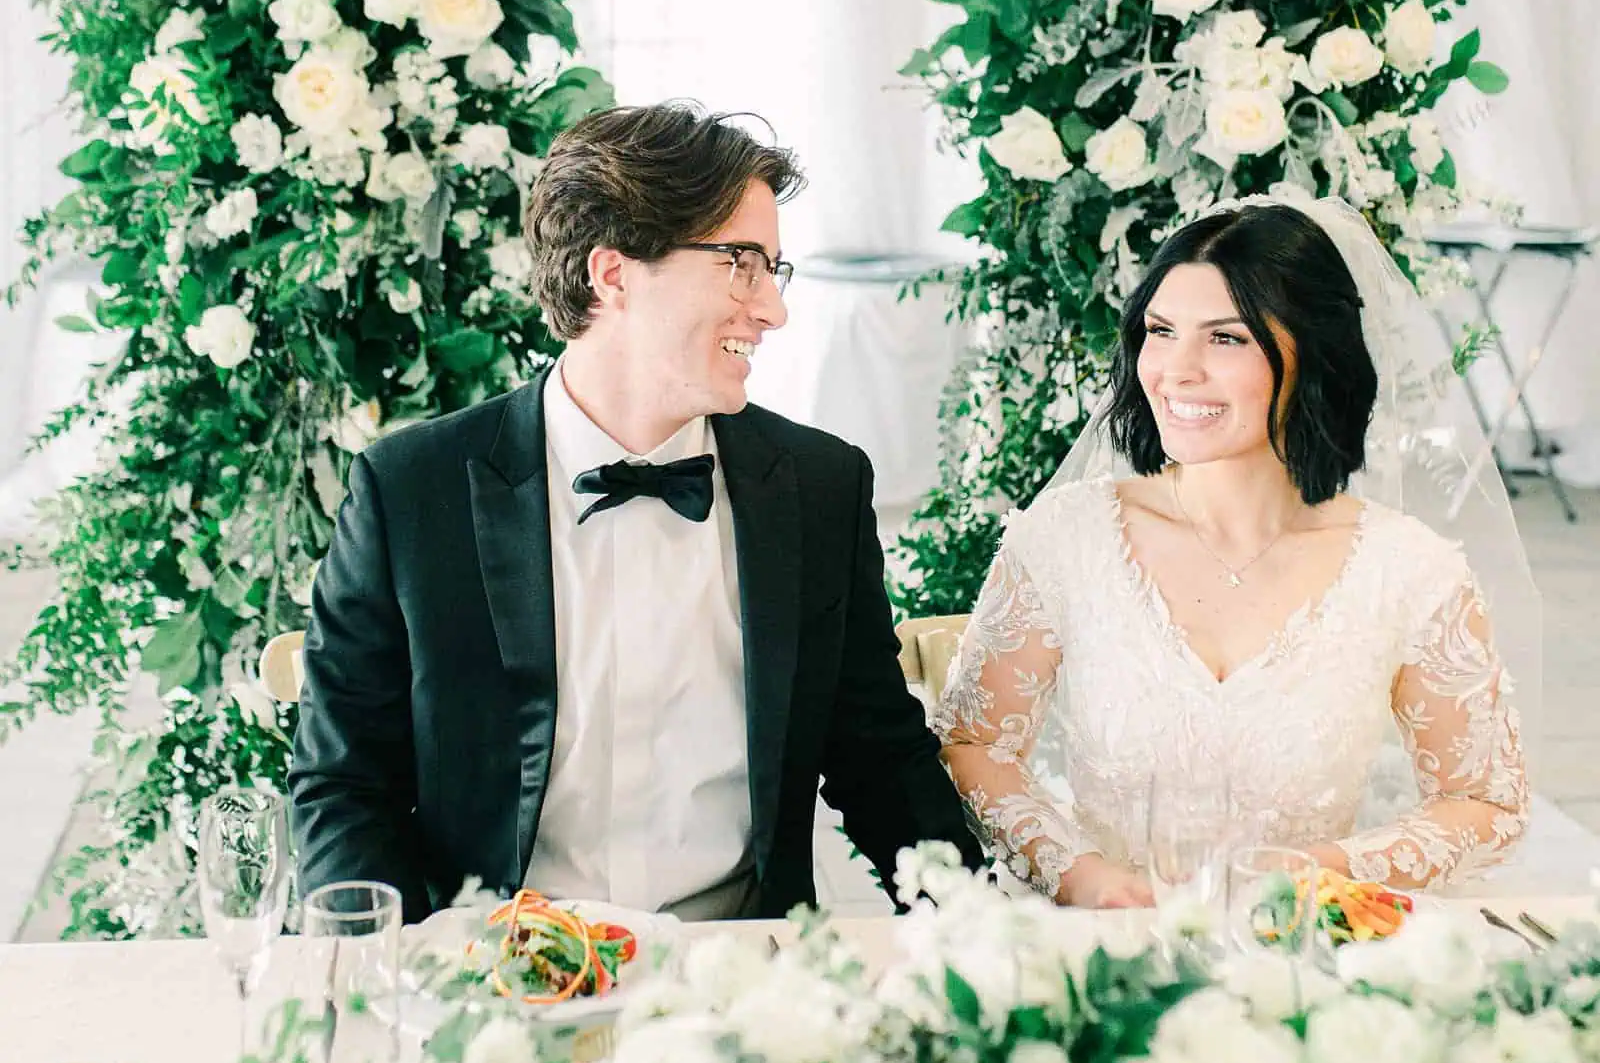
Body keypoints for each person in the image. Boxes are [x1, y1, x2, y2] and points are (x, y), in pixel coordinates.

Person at [289, 101, 979, 923]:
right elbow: (345, 788)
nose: (772, 309)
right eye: (741, 264)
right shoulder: (409, 492)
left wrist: (985, 941)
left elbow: (881, 764)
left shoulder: (818, 487)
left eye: (772, 271)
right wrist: (396, 978)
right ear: (611, 274)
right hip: (491, 985)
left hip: (744, 981)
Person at [936, 195, 1532, 909]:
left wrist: (1319, 872)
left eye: (1226, 338)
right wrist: (1081, 874)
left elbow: (1485, 802)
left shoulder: (1410, 571)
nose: (1177, 370)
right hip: (1106, 951)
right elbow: (974, 745)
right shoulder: (1067, 539)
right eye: (1160, 331)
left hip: (1310, 956)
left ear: (1310, 351)